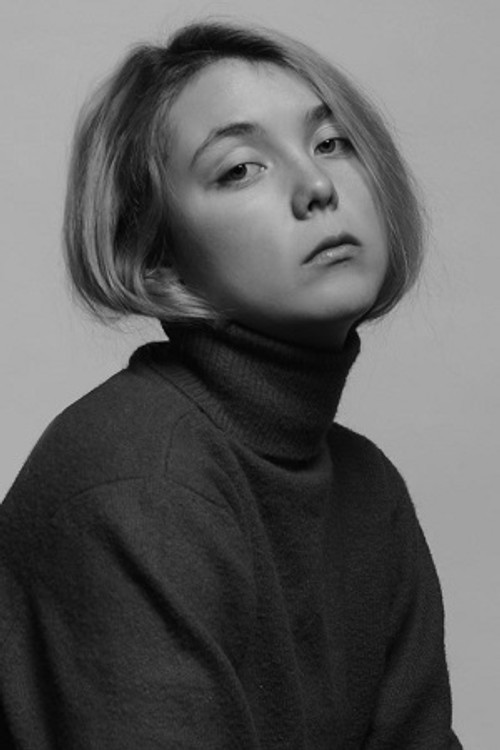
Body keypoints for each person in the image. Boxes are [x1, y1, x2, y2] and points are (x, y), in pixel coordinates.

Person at [0, 20, 462, 749]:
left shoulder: (369, 488)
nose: (317, 186)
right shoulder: (138, 483)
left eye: (332, 142)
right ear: (156, 256)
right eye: (241, 168)